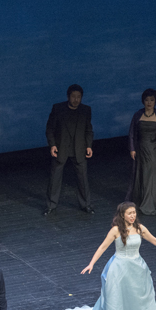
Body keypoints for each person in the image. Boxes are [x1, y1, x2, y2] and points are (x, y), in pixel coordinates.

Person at [44, 84, 94, 215]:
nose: (76, 99)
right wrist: (52, 145)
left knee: (83, 179)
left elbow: (88, 130)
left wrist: (89, 146)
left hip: (79, 149)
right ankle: (51, 206)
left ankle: (86, 205)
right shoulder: (58, 109)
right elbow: (50, 129)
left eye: (79, 97)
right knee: (55, 178)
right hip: (61, 148)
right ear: (68, 97)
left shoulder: (86, 110)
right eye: (73, 96)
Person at [125, 88, 156, 215]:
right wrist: (132, 149)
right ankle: (141, 200)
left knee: (152, 175)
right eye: (147, 100)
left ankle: (150, 203)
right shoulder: (138, 115)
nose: (149, 102)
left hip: (153, 150)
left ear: (155, 101)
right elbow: (131, 133)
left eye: (152, 100)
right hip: (140, 150)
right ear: (143, 101)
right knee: (141, 175)